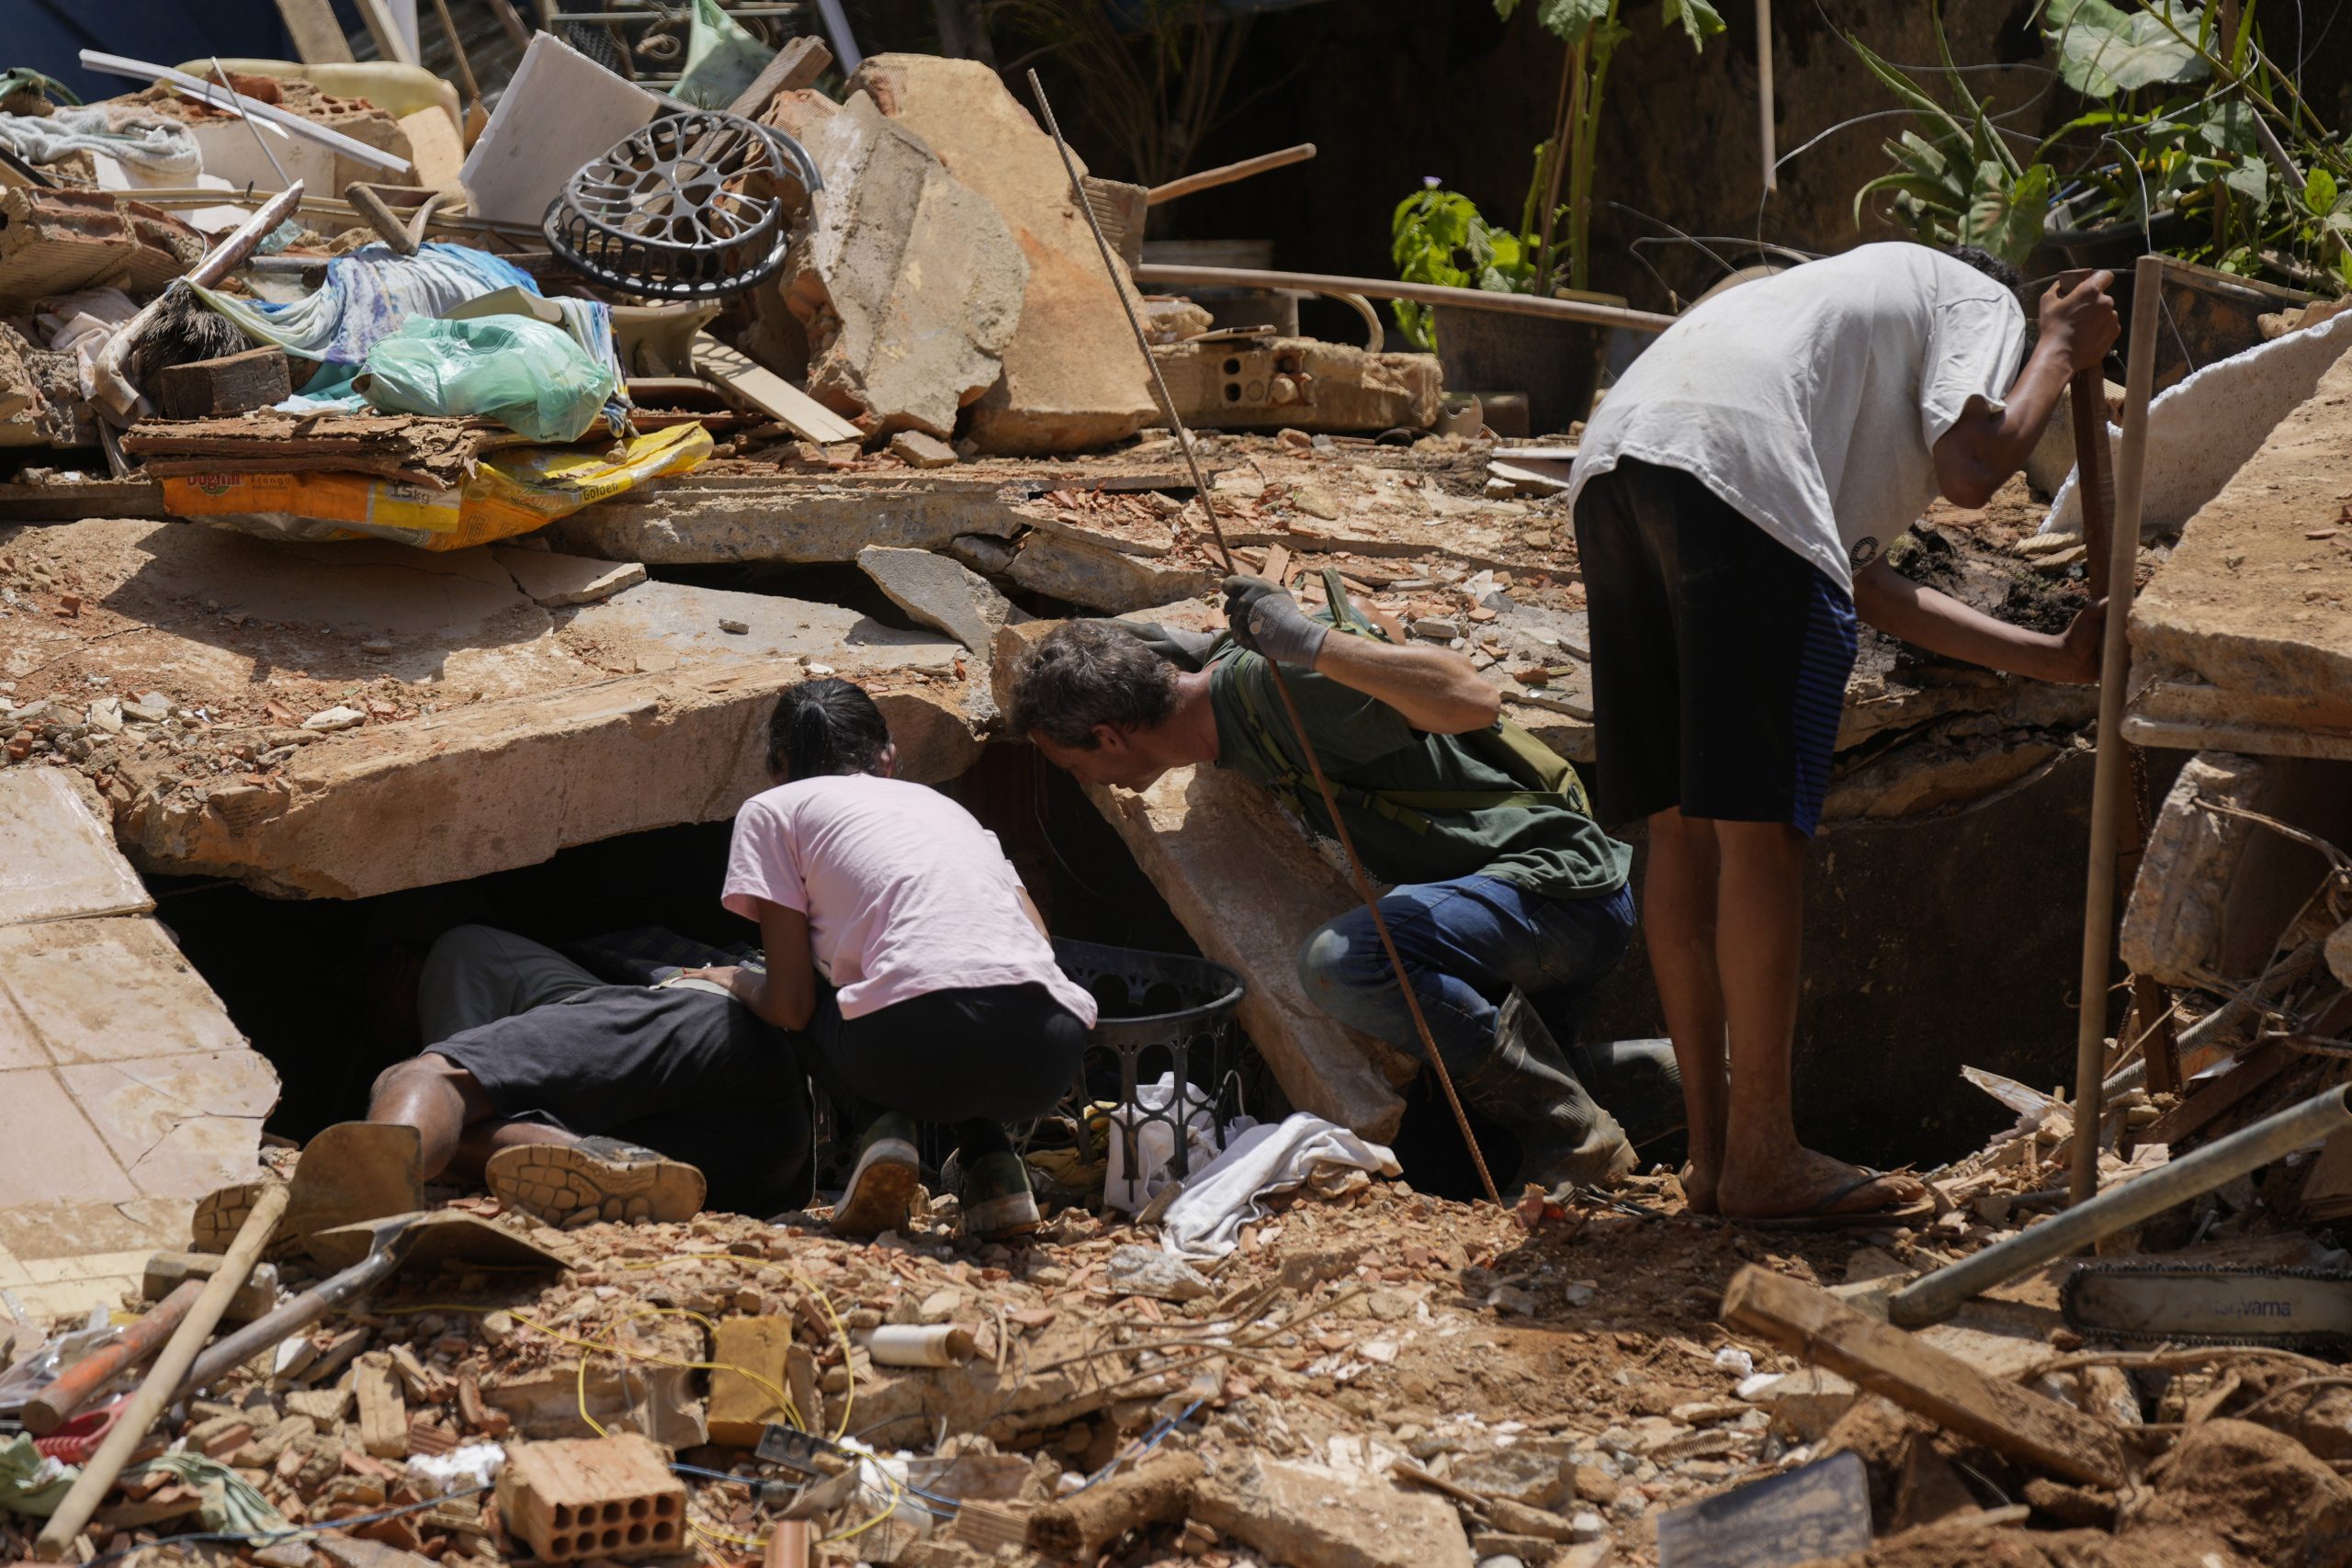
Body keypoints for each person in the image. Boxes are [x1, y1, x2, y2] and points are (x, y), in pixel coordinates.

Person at [1564, 242, 2119, 1227]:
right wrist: (2061, 347)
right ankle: (1765, 1153)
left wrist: (2045, 657)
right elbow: (1975, 466)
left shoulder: (1822, 334)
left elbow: (1853, 579)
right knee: (1758, 834)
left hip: (1616, 460)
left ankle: (1714, 1155)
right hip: (1726, 467)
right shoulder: (1972, 297)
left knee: (1683, 828)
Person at [1006, 580, 1684, 1202]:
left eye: (1078, 765)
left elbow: (1472, 696)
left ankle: (1575, 1134)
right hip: (1510, 911)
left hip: (1559, 889)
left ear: (1107, 733)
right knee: (1451, 1138)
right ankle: (1675, 1077)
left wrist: (1310, 644)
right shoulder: (1216, 709)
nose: (1094, 784)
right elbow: (1142, 647)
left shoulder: (1278, 690)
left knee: (1346, 962)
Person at [682, 678, 1099, 1243]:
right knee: (934, 974)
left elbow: (791, 1004)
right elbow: (1038, 945)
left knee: (798, 982)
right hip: (1050, 1052)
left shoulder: (772, 809)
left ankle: (883, 1129)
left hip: (908, 1052)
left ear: (777, 764)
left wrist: (734, 978)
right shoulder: (949, 809)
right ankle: (994, 1164)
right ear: (889, 756)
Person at [195, 923, 815, 1249]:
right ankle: (597, 1160)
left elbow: (454, 1086)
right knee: (511, 1141)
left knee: (413, 1076)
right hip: (760, 1161)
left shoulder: (451, 956)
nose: (366, 1014)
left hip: (703, 1028)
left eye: (363, 993)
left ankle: (345, 1202)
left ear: (392, 963)